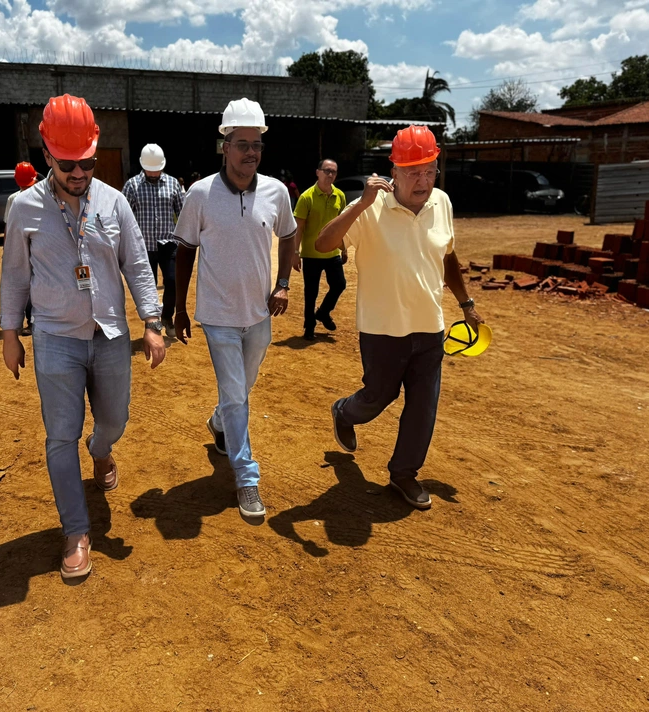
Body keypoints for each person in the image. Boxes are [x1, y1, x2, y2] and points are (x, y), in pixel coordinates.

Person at [0, 94, 166, 580]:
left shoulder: (113, 201)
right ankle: (76, 531)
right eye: (69, 164)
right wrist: (10, 334)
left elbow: (136, 264)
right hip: (55, 338)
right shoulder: (24, 209)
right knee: (59, 437)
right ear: (47, 154)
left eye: (88, 162)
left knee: (114, 420)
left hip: (110, 334)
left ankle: (102, 450)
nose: (79, 172)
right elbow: (14, 277)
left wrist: (152, 324)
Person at [314, 125, 485, 510]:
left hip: (430, 328)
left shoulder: (442, 202)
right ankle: (344, 411)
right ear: (394, 171)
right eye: (413, 172)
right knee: (378, 396)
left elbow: (447, 257)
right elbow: (323, 244)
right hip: (382, 329)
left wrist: (466, 302)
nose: (423, 180)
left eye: (430, 170)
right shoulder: (371, 207)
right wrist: (359, 204)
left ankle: (404, 474)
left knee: (424, 405)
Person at [173, 98, 297, 520]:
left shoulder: (277, 192)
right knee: (235, 393)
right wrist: (179, 308)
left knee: (240, 391)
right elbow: (185, 250)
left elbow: (290, 235)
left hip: (260, 314)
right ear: (223, 146)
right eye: (242, 143)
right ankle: (247, 478)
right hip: (218, 316)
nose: (251, 152)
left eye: (257, 143)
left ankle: (220, 422)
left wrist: (282, 284)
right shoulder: (200, 194)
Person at [122, 144, 185, 335]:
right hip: (143, 246)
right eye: (151, 169)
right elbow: (124, 216)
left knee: (173, 281)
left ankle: (167, 317)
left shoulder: (173, 184)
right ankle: (152, 323)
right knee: (147, 286)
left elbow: (182, 213)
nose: (155, 173)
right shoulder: (132, 186)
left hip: (168, 244)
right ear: (143, 166)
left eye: (157, 169)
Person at [293, 158, 348, 340]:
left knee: (339, 284)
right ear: (318, 172)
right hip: (311, 254)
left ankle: (323, 312)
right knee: (311, 292)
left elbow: (342, 225)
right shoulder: (306, 197)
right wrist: (295, 253)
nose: (330, 175)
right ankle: (309, 327)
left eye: (333, 172)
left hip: (332, 252)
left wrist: (344, 247)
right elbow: (299, 227)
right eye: (326, 171)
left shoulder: (339, 195)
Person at [4, 161, 40, 335]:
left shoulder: (14, 199)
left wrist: (7, 250)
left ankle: (30, 321)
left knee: (25, 283)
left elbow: (8, 229)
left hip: (26, 247)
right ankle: (33, 321)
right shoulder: (43, 196)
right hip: (36, 246)